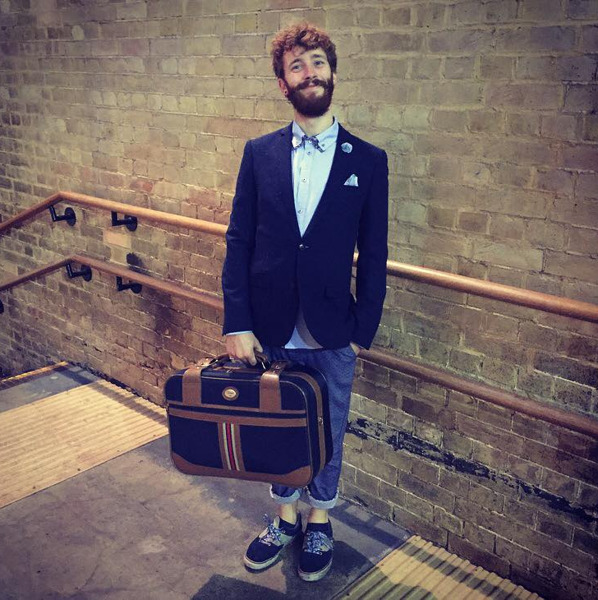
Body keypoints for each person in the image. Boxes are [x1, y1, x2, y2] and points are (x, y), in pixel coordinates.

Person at [221, 22, 388, 582]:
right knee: (278, 427)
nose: (309, 73)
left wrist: (361, 329)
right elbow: (239, 240)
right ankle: (285, 517)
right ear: (282, 83)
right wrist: (237, 321)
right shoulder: (259, 154)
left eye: (317, 62)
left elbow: (375, 252)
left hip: (332, 328)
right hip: (268, 327)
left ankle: (320, 520)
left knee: (329, 428)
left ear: (332, 72)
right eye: (297, 66)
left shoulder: (368, 160)